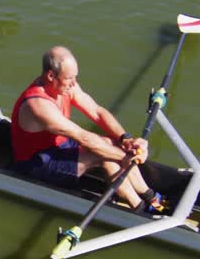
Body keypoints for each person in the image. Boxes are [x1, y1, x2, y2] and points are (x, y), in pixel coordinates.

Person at [10, 46, 168, 213]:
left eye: (75, 77)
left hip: (59, 148)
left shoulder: (65, 86)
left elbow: (97, 112)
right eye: (69, 78)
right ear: (51, 75)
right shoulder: (39, 105)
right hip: (35, 164)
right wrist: (126, 157)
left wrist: (125, 139)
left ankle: (149, 195)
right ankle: (140, 209)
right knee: (103, 154)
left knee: (110, 143)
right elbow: (82, 137)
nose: (73, 83)